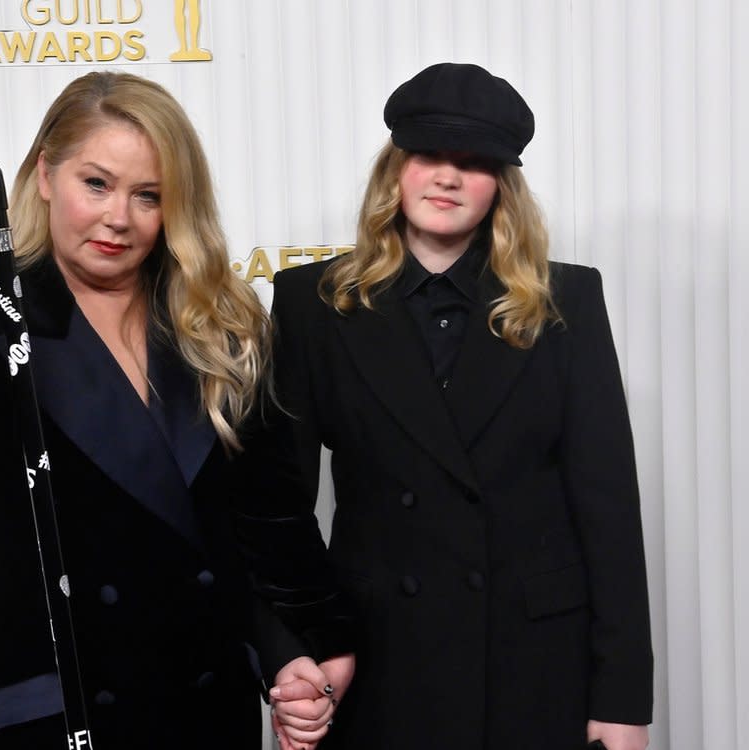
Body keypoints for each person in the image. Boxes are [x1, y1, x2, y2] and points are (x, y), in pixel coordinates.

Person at [0, 71, 352, 750]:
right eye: (95, 183)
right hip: (43, 697)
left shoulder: (220, 325)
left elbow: (261, 521)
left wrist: (293, 649)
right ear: (44, 175)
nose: (118, 217)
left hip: (201, 698)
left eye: (147, 195)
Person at [266, 62, 653, 750]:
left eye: (473, 162)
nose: (448, 176)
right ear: (397, 169)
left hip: (530, 662)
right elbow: (281, 510)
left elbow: (608, 511)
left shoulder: (566, 304)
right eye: (429, 154)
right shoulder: (312, 304)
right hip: (374, 657)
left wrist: (622, 698)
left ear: (502, 185)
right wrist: (292, 655)